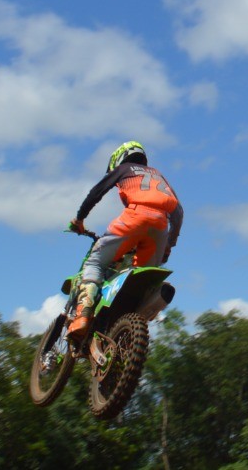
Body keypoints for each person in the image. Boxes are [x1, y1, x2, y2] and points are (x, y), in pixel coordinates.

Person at [67, 140, 183, 346]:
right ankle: (130, 327)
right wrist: (169, 245)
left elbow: (96, 193)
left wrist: (79, 219)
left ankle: (83, 315)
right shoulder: (158, 175)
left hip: (135, 217)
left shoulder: (124, 169)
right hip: (160, 226)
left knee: (95, 262)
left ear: (120, 157)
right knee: (144, 281)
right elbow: (178, 212)